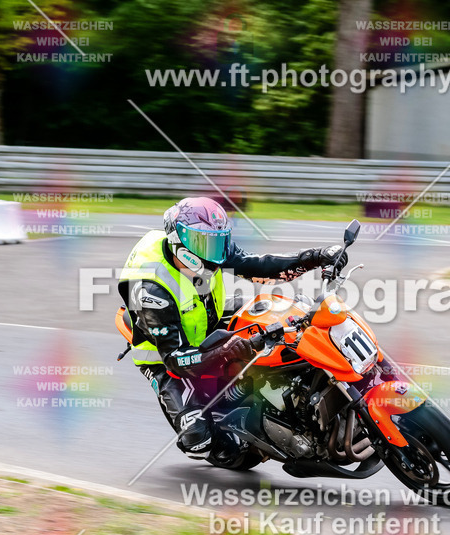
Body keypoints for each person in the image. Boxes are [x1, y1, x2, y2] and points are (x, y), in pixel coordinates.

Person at [117, 197, 347, 461]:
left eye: (218, 241)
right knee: (198, 440)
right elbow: (175, 360)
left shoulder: (207, 250)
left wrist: (316, 257)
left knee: (285, 317)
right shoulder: (149, 291)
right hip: (166, 355)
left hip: (205, 314)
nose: (215, 251)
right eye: (204, 242)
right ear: (178, 242)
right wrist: (224, 352)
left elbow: (260, 265)